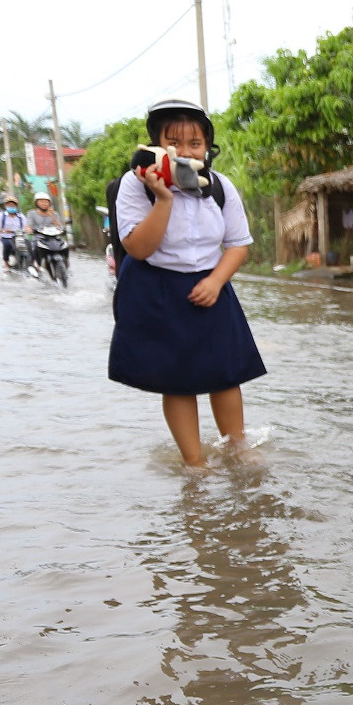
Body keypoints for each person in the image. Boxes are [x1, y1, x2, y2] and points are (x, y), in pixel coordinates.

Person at [108, 96, 265, 469]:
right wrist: (163, 198)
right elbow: (138, 248)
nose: (184, 151)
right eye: (173, 142)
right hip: (157, 290)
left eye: (195, 143)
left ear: (207, 147)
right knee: (177, 382)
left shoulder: (220, 186)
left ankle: (238, 452)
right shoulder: (134, 185)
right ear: (156, 145)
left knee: (225, 375)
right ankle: (194, 466)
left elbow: (238, 244)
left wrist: (216, 282)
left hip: (212, 287)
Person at [0, 196, 26, 267]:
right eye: (9, 205)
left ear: (16, 206)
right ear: (5, 206)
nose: (11, 206)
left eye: (13, 205)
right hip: (6, 236)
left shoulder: (21, 216)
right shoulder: (0, 215)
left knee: (27, 246)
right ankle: (6, 262)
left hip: (19, 236)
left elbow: (26, 227)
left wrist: (26, 231)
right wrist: (2, 231)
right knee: (7, 245)